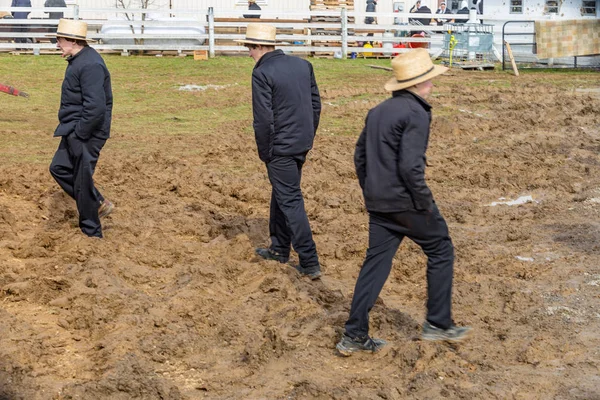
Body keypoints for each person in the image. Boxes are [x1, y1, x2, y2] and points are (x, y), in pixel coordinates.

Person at [336, 48, 471, 356]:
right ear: (417, 83)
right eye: (428, 81)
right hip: (406, 202)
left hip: (379, 202)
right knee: (441, 248)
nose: (432, 86)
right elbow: (411, 167)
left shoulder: (378, 111)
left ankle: (354, 334)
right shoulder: (416, 113)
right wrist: (424, 203)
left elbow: (359, 157)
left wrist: (371, 190)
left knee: (376, 264)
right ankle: (438, 323)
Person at [235, 24, 322, 280]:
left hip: (280, 147)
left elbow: (263, 120)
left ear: (258, 47)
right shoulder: (302, 66)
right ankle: (279, 248)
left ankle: (309, 260)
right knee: (282, 193)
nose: (249, 54)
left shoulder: (262, 72)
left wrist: (266, 152)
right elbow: (315, 104)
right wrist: (308, 135)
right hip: (301, 143)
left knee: (290, 199)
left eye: (249, 49)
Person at [49, 19, 114, 238]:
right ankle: (97, 202)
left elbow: (96, 107)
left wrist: (80, 133)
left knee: (82, 180)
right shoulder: (79, 60)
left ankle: (92, 233)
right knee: (59, 168)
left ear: (72, 40)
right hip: (73, 128)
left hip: (87, 132)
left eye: (59, 39)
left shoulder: (91, 65)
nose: (57, 43)